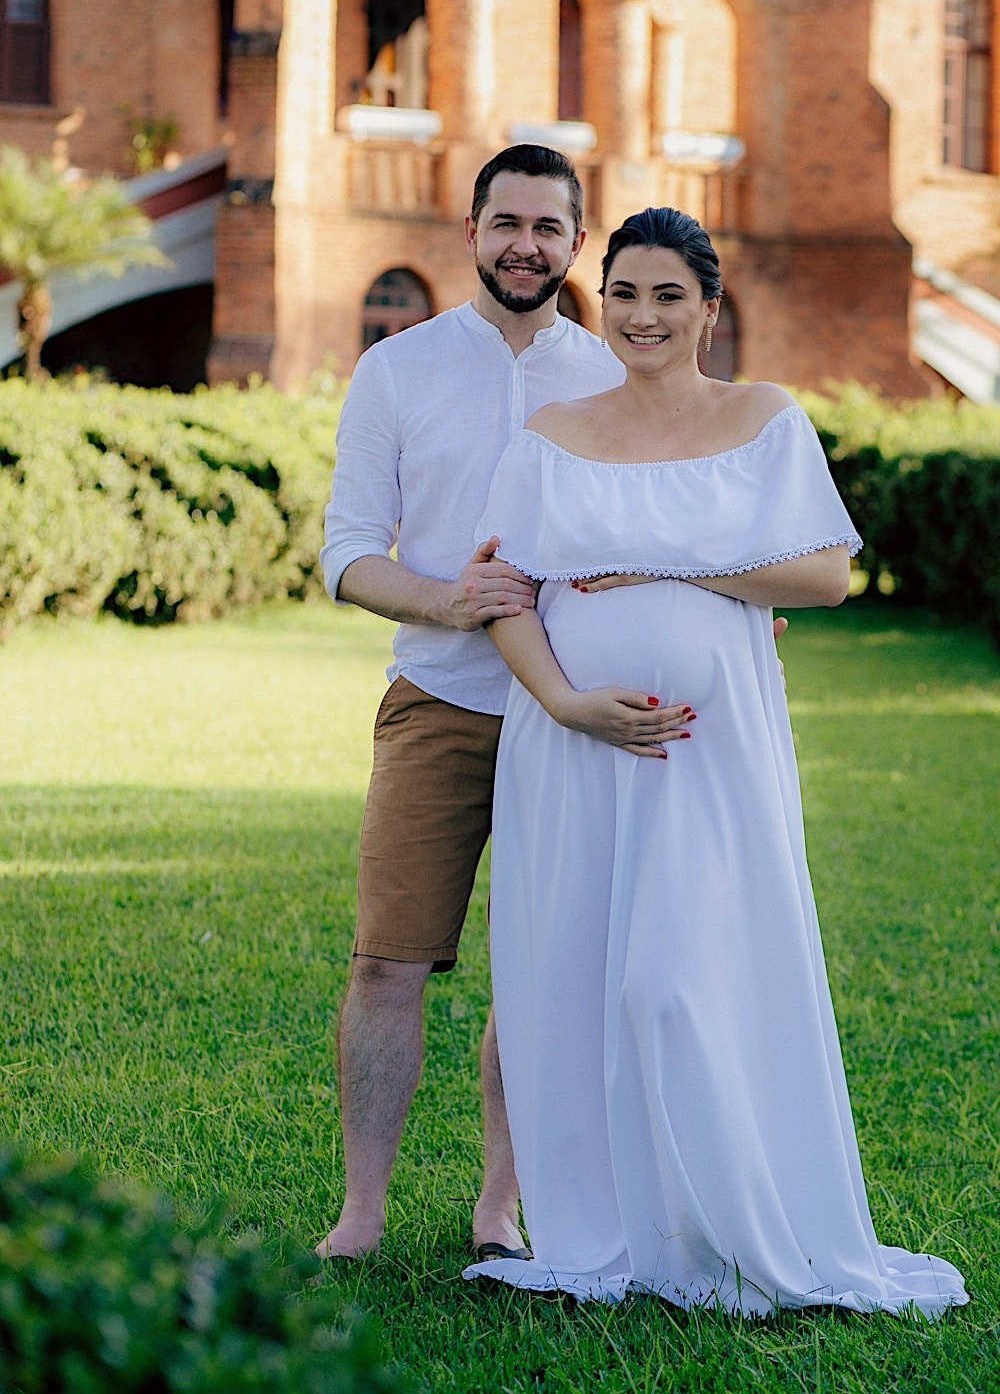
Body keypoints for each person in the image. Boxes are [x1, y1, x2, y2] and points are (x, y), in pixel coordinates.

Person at [463, 207, 969, 1317]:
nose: (642, 317)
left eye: (667, 296)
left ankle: (721, 1226)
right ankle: (609, 1235)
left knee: (675, 984)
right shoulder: (551, 433)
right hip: (571, 752)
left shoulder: (762, 418)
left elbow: (823, 576)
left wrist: (658, 562)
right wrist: (567, 704)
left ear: (708, 307)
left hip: (709, 755)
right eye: (624, 295)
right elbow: (506, 592)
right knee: (575, 982)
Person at [317, 149, 708, 1263]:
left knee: (543, 973)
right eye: (505, 223)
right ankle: (361, 1215)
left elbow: (668, 532)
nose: (524, 246)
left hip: (574, 713)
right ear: (472, 230)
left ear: (576, 242)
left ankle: (501, 1208)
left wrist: (718, 615)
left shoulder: (609, 373)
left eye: (546, 228)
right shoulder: (396, 368)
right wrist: (447, 599)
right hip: (438, 700)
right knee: (387, 963)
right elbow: (347, 552)